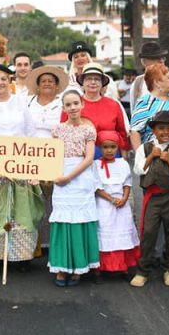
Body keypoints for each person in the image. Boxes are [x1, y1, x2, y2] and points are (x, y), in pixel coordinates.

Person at [0, 64, 44, 268]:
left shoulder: (20, 103)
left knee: (22, 211)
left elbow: (30, 133)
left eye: (3, 78)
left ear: (9, 81)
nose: (0, 82)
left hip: (20, 163)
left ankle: (22, 255)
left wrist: (34, 165)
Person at [130, 110, 169, 288]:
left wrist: (168, 160)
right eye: (161, 128)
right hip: (153, 197)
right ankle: (143, 271)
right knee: (149, 232)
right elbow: (138, 170)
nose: (166, 132)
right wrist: (152, 156)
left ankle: (168, 269)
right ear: (154, 130)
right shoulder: (145, 148)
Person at [48, 90, 100, 286]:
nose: (73, 107)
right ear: (63, 108)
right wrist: (52, 176)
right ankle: (62, 268)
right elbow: (52, 156)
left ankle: (79, 266)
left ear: (82, 104)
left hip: (80, 177)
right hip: (61, 174)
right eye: (68, 105)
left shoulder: (88, 130)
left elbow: (89, 158)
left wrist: (68, 177)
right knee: (63, 220)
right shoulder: (57, 130)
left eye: (76, 103)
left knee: (80, 220)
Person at [26, 64, 67, 250]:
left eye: (51, 81)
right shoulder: (27, 103)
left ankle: (51, 242)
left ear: (57, 86)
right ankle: (34, 243)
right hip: (30, 155)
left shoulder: (63, 104)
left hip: (55, 155)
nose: (47, 83)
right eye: (43, 81)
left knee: (53, 197)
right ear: (38, 85)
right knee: (33, 196)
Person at [93, 131, 140, 283]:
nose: (109, 150)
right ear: (100, 148)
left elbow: (127, 183)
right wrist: (112, 199)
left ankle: (123, 267)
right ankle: (100, 269)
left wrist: (124, 198)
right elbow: (97, 187)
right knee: (104, 234)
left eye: (113, 147)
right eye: (105, 147)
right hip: (104, 204)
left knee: (123, 232)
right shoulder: (95, 165)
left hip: (121, 204)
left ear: (118, 148)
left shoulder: (123, 163)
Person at [72, 62, 129, 159]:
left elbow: (122, 133)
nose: (93, 82)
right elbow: (64, 131)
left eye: (97, 79)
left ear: (102, 83)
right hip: (79, 156)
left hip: (110, 155)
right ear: (82, 82)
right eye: (89, 79)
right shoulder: (73, 103)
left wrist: (124, 158)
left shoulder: (113, 104)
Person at [130, 63, 169, 150]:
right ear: (157, 83)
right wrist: (140, 156)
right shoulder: (146, 101)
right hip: (155, 155)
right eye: (168, 77)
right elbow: (135, 132)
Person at [128, 42, 169, 113]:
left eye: (162, 57)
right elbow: (134, 111)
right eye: (155, 58)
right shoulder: (137, 83)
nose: (161, 61)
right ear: (144, 62)